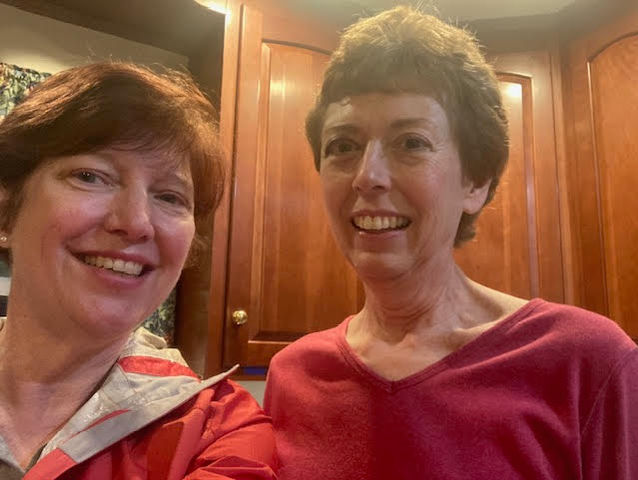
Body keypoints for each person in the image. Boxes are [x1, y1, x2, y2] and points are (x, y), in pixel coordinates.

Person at [263, 6, 638, 479]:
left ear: (475, 182)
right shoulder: (293, 375)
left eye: (411, 142)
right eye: (342, 146)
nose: (367, 176)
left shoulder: (587, 363)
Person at [0, 62, 276, 479]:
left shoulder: (216, 428)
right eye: (91, 176)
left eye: (170, 197)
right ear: (6, 211)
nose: (136, 222)